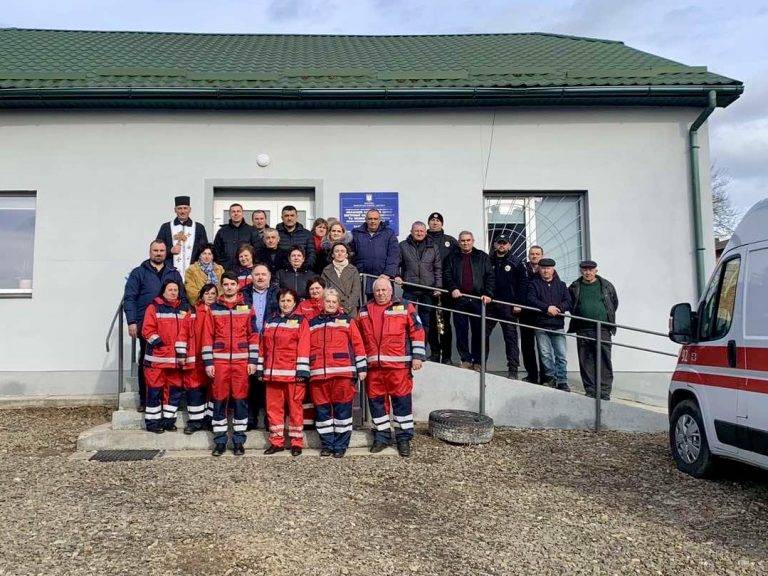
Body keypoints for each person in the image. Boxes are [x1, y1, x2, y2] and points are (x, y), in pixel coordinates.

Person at [356, 277, 425, 457]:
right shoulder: (364, 311)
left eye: (384, 290)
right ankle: (382, 436)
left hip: (398, 366)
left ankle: (403, 439)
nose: (380, 293)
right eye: (377, 290)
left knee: (401, 403)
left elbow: (417, 330)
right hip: (374, 367)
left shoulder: (405, 306)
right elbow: (358, 339)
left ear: (391, 291)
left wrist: (417, 356)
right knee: (377, 404)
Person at [124, 240, 186, 411]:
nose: (158, 253)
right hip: (147, 326)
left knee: (171, 365)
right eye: (155, 250)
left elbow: (183, 297)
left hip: (171, 327)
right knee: (148, 363)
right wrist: (131, 321)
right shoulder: (138, 273)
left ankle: (170, 402)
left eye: (161, 250)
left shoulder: (173, 273)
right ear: (150, 251)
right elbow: (129, 298)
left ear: (166, 253)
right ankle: (146, 401)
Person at [201, 272, 259, 456]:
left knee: (241, 400)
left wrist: (253, 360)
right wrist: (209, 362)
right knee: (219, 400)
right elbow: (207, 336)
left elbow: (254, 335)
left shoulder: (248, 308)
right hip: (219, 362)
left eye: (232, 284)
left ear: (237, 286)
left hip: (242, 362)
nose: (228, 287)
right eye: (225, 284)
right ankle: (219, 441)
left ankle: (239, 441)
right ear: (222, 286)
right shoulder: (214, 308)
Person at [309, 289, 367, 458]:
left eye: (334, 302)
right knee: (322, 413)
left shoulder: (347, 321)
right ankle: (327, 445)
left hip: (343, 373)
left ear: (338, 304)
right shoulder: (312, 323)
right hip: (318, 374)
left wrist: (361, 368)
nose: (331, 304)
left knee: (343, 412)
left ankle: (341, 446)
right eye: (328, 301)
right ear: (322, 302)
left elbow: (358, 344)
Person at [259, 288, 311, 456]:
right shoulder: (270, 320)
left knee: (295, 408)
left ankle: (296, 442)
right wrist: (261, 368)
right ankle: (276, 442)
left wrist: (302, 371)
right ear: (278, 302)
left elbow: (304, 346)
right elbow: (262, 347)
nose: (285, 304)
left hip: (292, 374)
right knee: (273, 409)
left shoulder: (301, 321)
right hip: (272, 374)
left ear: (295, 303)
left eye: (289, 300)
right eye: (283, 300)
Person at [141, 280, 194, 433]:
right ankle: (153, 423)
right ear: (163, 291)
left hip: (176, 361)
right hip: (156, 360)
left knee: (174, 393)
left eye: (175, 290)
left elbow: (189, 332)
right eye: (170, 289)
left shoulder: (185, 308)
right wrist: (160, 345)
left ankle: (168, 421)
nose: (173, 292)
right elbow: (147, 330)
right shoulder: (154, 307)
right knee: (154, 392)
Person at [443, 231, 494, 370]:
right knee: (461, 331)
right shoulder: (451, 257)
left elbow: (490, 276)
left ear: (473, 241)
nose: (465, 243)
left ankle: (478, 361)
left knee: (479, 332)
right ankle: (465, 359)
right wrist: (452, 288)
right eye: (463, 240)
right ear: (459, 242)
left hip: (478, 300)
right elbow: (447, 275)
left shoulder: (482, 256)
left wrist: (488, 294)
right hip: (459, 299)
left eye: (468, 240)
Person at [568, 260, 619, 400]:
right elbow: (570, 304)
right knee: (586, 360)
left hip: (603, 328)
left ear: (596, 270)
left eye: (590, 270)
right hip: (583, 328)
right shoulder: (575, 286)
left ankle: (604, 392)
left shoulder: (606, 285)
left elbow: (613, 304)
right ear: (581, 271)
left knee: (604, 360)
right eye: (584, 270)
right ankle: (590, 390)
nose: (588, 272)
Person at [395, 221, 442, 356]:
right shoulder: (403, 245)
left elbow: (437, 268)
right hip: (409, 288)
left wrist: (438, 287)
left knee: (426, 321)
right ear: (411, 231)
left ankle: (421, 349)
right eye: (417, 231)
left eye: (422, 231)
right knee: (406, 319)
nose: (419, 233)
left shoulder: (433, 246)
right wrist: (397, 275)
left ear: (425, 232)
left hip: (427, 289)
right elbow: (396, 263)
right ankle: (406, 349)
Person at [243, 264, 279, 430]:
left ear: (269, 276)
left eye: (264, 274)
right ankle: (251, 417)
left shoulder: (278, 293)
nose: (260, 277)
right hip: (249, 339)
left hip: (270, 339)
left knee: (267, 379)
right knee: (250, 379)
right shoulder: (243, 293)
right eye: (257, 274)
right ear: (252, 276)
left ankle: (268, 418)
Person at [527, 258, 572, 391]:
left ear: (553, 269)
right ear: (539, 269)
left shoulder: (561, 285)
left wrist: (558, 308)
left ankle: (562, 381)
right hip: (541, 325)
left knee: (561, 355)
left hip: (557, 325)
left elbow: (568, 302)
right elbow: (531, 299)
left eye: (548, 268)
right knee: (545, 355)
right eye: (543, 268)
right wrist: (547, 308)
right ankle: (550, 378)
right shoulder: (534, 284)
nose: (546, 271)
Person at [486, 234, 526, 379]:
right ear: (495, 245)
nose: (502, 246)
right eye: (499, 243)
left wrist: (518, 303)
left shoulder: (516, 262)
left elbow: (523, 284)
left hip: (509, 306)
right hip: (491, 305)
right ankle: (480, 364)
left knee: (511, 338)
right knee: (483, 334)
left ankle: (513, 370)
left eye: (505, 243)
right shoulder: (488, 260)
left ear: (509, 245)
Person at [426, 212, 459, 364]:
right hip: (428, 287)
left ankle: (447, 356)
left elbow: (458, 262)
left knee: (445, 322)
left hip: (446, 289)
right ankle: (434, 353)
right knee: (431, 322)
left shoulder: (450, 241)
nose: (435, 223)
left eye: (437, 220)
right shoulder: (423, 239)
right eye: (432, 220)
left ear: (442, 223)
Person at [188, 283, 218, 432]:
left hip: (214, 357)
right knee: (196, 387)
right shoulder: (193, 311)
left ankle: (211, 420)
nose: (210, 296)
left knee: (214, 389)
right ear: (201, 295)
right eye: (207, 293)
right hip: (196, 356)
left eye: (213, 293)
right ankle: (195, 421)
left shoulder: (219, 311)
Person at [156, 195, 209, 278]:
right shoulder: (166, 227)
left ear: (190, 209)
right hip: (170, 272)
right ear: (175, 210)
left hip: (194, 273)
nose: (182, 211)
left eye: (185, 208)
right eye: (179, 208)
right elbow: (157, 248)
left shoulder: (199, 227)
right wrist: (170, 250)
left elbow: (204, 250)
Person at [351, 208, 399, 296]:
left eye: (375, 219)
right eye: (370, 219)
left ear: (380, 220)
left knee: (383, 306)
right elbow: (351, 256)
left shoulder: (389, 233)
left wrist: (387, 274)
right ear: (366, 220)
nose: (373, 221)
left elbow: (394, 255)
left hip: (383, 278)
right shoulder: (356, 233)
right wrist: (354, 274)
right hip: (362, 279)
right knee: (364, 308)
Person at [520, 245, 545, 383]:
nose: (534, 256)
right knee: (527, 345)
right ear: (528, 255)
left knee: (543, 346)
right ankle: (532, 375)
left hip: (541, 314)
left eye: (537, 254)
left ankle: (546, 376)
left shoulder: (546, 269)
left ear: (542, 255)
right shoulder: (523, 268)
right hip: (525, 313)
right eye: (532, 254)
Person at [213, 203, 260, 271]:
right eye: (233, 212)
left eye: (238, 211)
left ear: (242, 213)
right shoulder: (222, 232)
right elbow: (216, 252)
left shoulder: (252, 231)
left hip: (246, 272)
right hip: (226, 270)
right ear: (230, 214)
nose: (236, 213)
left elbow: (257, 252)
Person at [321, 242, 360, 317]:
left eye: (342, 251)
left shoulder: (353, 270)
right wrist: (333, 306)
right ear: (332, 255)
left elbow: (356, 291)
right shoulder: (326, 270)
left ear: (346, 255)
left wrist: (346, 308)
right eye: (337, 251)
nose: (339, 253)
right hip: (331, 308)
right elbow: (324, 291)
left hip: (350, 309)